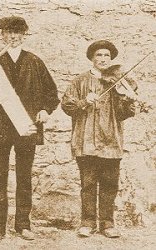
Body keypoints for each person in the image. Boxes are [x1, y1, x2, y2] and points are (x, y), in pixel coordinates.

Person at [0, 16, 59, 243]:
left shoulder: (35, 62)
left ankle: (23, 225)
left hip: (26, 128)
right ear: (2, 35)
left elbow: (51, 93)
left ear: (24, 34)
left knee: (24, 177)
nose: (13, 37)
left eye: (17, 32)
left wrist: (46, 110)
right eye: (8, 33)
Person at [61, 40, 138, 238]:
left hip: (111, 141)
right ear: (92, 58)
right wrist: (83, 101)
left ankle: (107, 223)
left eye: (106, 56)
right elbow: (67, 106)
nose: (103, 59)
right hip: (86, 141)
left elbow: (123, 114)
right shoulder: (80, 81)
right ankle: (87, 222)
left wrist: (128, 101)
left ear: (111, 59)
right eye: (99, 55)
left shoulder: (116, 83)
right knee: (87, 184)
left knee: (109, 185)